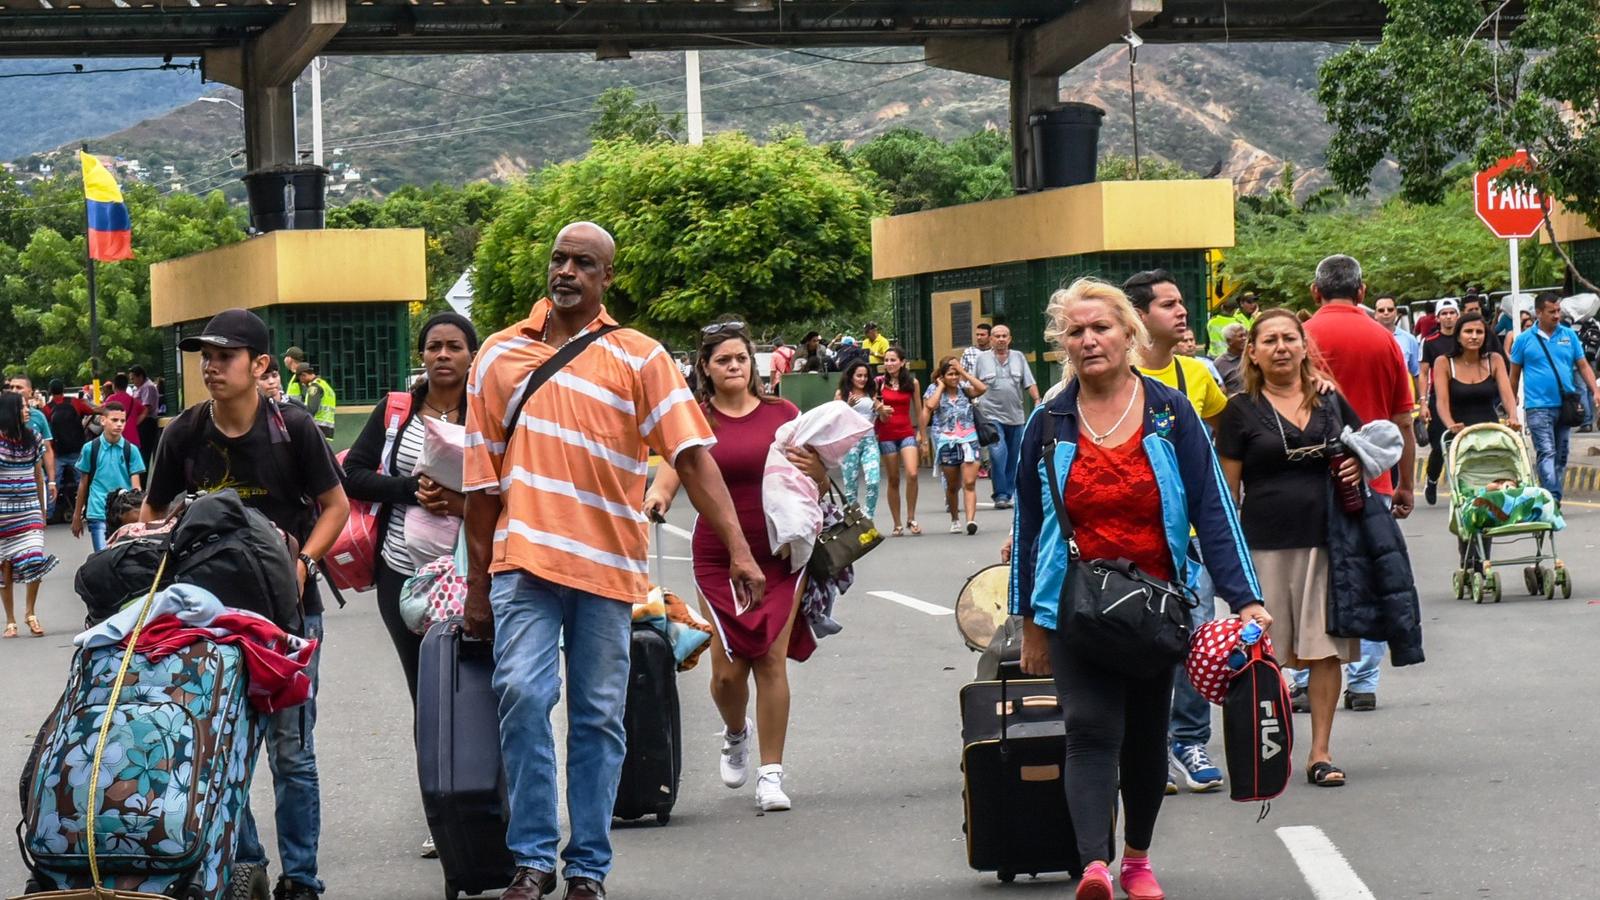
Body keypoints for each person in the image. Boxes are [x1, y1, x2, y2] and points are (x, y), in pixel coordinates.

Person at [461, 223, 762, 900]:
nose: (566, 270)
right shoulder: (498, 357)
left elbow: (690, 456)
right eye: (559, 258)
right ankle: (533, 859)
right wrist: (477, 589)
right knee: (523, 695)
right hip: (522, 562)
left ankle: (588, 867)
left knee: (598, 715)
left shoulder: (639, 357)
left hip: (606, 568)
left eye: (583, 263)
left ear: (606, 280)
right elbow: (481, 488)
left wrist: (739, 548)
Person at [1011, 278, 1266, 900]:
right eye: (1076, 331)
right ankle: (1094, 865)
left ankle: (1136, 860)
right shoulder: (1048, 422)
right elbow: (1027, 526)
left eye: (1101, 327)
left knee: (1147, 738)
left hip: (1157, 606)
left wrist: (1246, 595)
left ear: (1130, 333)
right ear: (1062, 345)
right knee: (1092, 728)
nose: (1089, 339)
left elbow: (1213, 508)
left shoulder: (1168, 411)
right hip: (1074, 605)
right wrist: (1030, 624)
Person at [141, 308, 350, 900]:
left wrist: (304, 564)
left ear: (260, 366)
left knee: (291, 750)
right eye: (204, 356)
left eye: (224, 356)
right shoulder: (183, 432)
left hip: (289, 617)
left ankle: (302, 879)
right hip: (210, 623)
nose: (210, 367)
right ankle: (250, 861)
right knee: (221, 745)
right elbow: (153, 515)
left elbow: (335, 507)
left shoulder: (294, 427)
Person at [645, 322, 824, 813]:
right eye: (723, 360)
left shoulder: (783, 414)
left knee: (769, 656)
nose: (734, 367)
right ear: (705, 367)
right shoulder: (693, 420)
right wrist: (657, 501)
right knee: (727, 672)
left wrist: (819, 472)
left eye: (741, 359)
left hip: (780, 552)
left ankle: (771, 774)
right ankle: (735, 730)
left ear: (754, 365)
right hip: (718, 553)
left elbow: (818, 477)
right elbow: (670, 474)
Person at [1216, 309, 1366, 788]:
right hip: (1263, 548)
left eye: (1289, 339)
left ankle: (1320, 753)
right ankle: (1266, 750)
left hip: (1327, 542)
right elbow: (1227, 493)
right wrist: (1229, 561)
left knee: (1325, 651)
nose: (1281, 347)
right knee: (1263, 655)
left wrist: (1358, 472)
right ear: (1252, 354)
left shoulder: (1330, 401)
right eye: (1270, 341)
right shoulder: (1239, 410)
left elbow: (1369, 452)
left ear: (1305, 347)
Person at [1123, 270, 1230, 794]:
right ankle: (1145, 746)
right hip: (1128, 539)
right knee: (1137, 641)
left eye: (1181, 302)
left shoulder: (1198, 374)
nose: (1182, 312)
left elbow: (1234, 429)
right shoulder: (1114, 376)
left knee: (1197, 635)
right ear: (1140, 317)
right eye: (1169, 304)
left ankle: (1188, 740)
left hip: (1188, 536)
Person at [1302, 254, 1417, 713]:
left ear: (1316, 292)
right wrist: (1405, 482)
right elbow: (1403, 420)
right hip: (1372, 478)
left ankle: (1302, 675)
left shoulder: (1298, 337)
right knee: (1368, 578)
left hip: (1309, 481)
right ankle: (1363, 682)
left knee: (1311, 581)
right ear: (1363, 292)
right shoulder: (1385, 340)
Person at [343, 312, 477, 702]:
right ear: (423, 355)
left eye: (454, 347)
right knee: (426, 690)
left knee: (472, 687)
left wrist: (458, 504)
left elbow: (508, 493)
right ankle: (433, 764)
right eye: (434, 347)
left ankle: (477, 763)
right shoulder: (397, 411)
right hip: (401, 573)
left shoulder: (488, 417)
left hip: (471, 575)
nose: (443, 355)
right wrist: (409, 489)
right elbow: (352, 473)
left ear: (472, 355)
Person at [1510, 292, 1600, 504]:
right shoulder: (1523, 340)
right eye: (1552, 311)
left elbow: (1583, 365)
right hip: (1538, 406)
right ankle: (1553, 498)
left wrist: (1595, 390)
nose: (1557, 315)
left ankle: (1549, 493)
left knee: (1561, 454)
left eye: (1558, 310)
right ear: (1539, 313)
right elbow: (1513, 375)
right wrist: (1511, 402)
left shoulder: (1569, 336)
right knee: (1546, 451)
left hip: (1566, 405)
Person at [0, 392, 56, 639]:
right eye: (22, 407)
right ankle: (10, 620)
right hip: (2, 514)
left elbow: (37, 474)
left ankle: (30, 612)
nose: (27, 409)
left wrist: (42, 511)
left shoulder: (33, 437)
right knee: (5, 569)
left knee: (35, 558)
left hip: (29, 510)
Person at [973, 323, 1039, 509]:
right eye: (997, 336)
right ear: (991, 339)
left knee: (1013, 457)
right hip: (991, 415)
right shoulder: (982, 360)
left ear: (1009, 339)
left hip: (1016, 416)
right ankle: (1000, 494)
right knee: (997, 453)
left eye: (1004, 336)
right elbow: (974, 383)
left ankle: (1009, 492)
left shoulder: (1018, 357)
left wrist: (1037, 400)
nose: (1001, 339)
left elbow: (1029, 382)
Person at [924, 356, 988, 534]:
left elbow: (982, 388)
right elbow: (930, 405)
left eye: (955, 374)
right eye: (950, 374)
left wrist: (962, 371)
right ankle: (954, 518)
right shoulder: (934, 389)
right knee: (953, 486)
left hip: (969, 440)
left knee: (969, 482)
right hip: (948, 442)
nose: (953, 378)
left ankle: (971, 520)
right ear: (942, 376)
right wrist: (941, 386)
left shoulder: (964, 389)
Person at [70, 401, 144, 552]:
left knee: (125, 558)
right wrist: (77, 516)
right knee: (103, 557)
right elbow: (83, 483)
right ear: (103, 420)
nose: (119, 424)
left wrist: (140, 516)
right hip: (98, 511)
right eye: (114, 420)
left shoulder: (131, 450)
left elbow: (136, 487)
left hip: (125, 514)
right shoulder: (90, 448)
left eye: (122, 421)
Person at [875, 346, 924, 537]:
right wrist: (879, 406)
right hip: (886, 434)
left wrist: (923, 436)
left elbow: (919, 410)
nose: (889, 364)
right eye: (886, 360)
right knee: (893, 479)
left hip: (906, 432)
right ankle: (896, 523)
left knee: (912, 473)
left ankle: (911, 517)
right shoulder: (879, 382)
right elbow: (871, 402)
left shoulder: (912, 382)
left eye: (893, 360)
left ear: (902, 362)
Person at [833, 359, 885, 516]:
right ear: (851, 377)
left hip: (869, 441)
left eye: (865, 376)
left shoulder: (872, 393)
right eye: (859, 376)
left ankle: (868, 517)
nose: (862, 379)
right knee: (850, 486)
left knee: (873, 480)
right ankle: (853, 519)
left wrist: (881, 410)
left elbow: (882, 419)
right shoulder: (841, 394)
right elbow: (835, 419)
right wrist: (847, 406)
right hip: (850, 443)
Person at [44, 378, 95, 518]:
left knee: (53, 482)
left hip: (57, 453)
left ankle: (48, 514)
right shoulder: (75, 403)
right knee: (82, 481)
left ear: (50, 392)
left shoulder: (47, 409)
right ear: (64, 389)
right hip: (77, 449)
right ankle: (88, 511)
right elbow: (92, 411)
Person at [1374, 295, 1423, 408]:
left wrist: (1422, 400)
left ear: (1396, 312)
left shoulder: (1409, 339)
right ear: (1375, 314)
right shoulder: (1366, 337)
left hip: (1402, 399)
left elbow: (1417, 373)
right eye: (1381, 310)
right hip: (1377, 398)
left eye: (1390, 309)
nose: (1386, 313)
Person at [294, 363, 338, 439]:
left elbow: (311, 409)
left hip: (316, 428)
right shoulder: (325, 385)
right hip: (327, 429)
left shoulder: (314, 387)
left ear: (304, 375)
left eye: (300, 379)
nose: (301, 382)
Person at [129, 364, 162, 463]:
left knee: (144, 453)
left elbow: (146, 409)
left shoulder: (148, 387)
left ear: (140, 376)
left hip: (146, 422)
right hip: (141, 421)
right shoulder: (139, 388)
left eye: (133, 379)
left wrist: (136, 423)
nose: (132, 382)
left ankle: (143, 477)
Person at [1212, 323, 1247, 395]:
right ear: (1229, 341)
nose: (1245, 338)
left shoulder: (1253, 357)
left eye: (1245, 335)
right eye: (1240, 336)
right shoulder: (1219, 363)